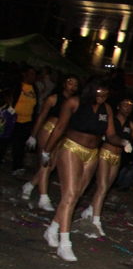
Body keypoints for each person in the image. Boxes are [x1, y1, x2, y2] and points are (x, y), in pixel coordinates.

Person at [42, 77, 132, 262]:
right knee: (70, 194)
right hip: (71, 148)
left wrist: (123, 141)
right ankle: (64, 243)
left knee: (76, 195)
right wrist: (46, 150)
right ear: (91, 90)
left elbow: (111, 135)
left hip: (92, 153)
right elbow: (59, 128)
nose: (101, 98)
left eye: (105, 96)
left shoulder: (106, 109)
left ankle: (52, 228)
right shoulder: (74, 102)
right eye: (99, 94)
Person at [81, 96, 133, 236]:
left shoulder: (131, 125)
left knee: (106, 187)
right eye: (125, 104)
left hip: (117, 157)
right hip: (105, 153)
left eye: (130, 105)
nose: (128, 108)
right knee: (102, 187)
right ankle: (96, 221)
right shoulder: (111, 120)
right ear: (118, 106)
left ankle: (91, 209)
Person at [21, 74, 80, 211]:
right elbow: (41, 117)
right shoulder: (53, 98)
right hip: (49, 129)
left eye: (76, 84)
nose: (73, 86)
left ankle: (29, 185)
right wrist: (33, 136)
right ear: (64, 83)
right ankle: (43, 196)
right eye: (70, 83)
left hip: (63, 133)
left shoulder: (75, 101)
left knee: (51, 165)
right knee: (46, 164)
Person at [0, 66, 37, 176]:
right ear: (24, 74)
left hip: (26, 121)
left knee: (19, 145)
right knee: (4, 143)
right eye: (30, 73)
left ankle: (17, 167)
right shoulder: (17, 85)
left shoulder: (34, 88)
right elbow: (6, 94)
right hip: (12, 120)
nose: (32, 76)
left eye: (34, 74)